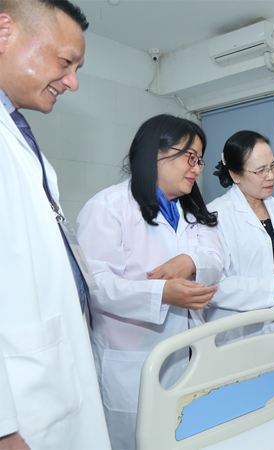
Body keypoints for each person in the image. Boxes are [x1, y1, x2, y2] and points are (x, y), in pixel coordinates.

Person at [0, 1, 111, 448]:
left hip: (46, 381)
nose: (72, 82)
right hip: (20, 410)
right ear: (4, 31)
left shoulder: (18, 137)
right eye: (65, 62)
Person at [77, 114, 223, 449]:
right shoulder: (108, 207)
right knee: (138, 440)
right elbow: (95, 286)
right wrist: (161, 293)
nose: (196, 168)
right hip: (133, 360)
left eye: (199, 160)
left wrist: (191, 261)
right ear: (155, 152)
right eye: (190, 157)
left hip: (189, 355)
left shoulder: (190, 211)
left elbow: (216, 259)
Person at [206, 131, 274, 342]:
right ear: (235, 175)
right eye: (261, 170)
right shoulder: (215, 215)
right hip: (237, 334)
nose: (270, 176)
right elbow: (215, 285)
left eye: (273, 166)